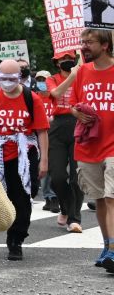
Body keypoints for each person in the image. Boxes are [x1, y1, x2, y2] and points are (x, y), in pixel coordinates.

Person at [51, 28, 114, 270]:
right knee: (99, 199)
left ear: (105, 45)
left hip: (112, 145)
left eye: (89, 42)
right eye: (82, 42)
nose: (83, 47)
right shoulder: (82, 72)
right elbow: (73, 104)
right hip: (88, 146)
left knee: (111, 197)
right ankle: (107, 245)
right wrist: (77, 112)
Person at [0, 60, 48, 260]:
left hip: (25, 154)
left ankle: (16, 239)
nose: (6, 83)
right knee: (3, 197)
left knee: (22, 199)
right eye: (2, 78)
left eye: (11, 79)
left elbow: (41, 131)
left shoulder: (32, 98)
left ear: (20, 77)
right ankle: (8, 228)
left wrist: (44, 160)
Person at [46, 52, 83, 232]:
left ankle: (75, 219)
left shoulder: (83, 76)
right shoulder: (52, 79)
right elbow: (56, 92)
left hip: (79, 124)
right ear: (57, 63)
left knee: (77, 177)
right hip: (58, 127)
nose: (66, 61)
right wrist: (73, 76)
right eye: (62, 59)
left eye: (69, 58)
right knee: (58, 176)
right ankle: (65, 207)